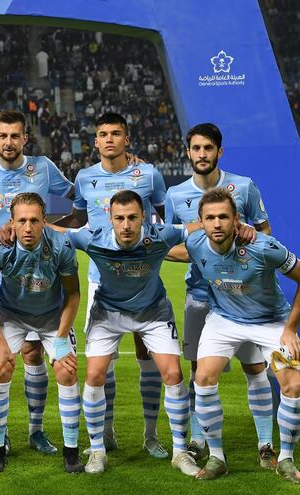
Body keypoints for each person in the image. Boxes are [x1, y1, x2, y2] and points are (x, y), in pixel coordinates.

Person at [53, 190, 209, 476]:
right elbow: (58, 232)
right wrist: (20, 224)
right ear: (110, 219)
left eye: (133, 218)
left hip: (153, 312)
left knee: (173, 373)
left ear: (143, 218)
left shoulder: (160, 235)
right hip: (108, 313)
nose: (126, 225)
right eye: (120, 218)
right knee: (94, 374)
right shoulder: (93, 238)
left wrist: (239, 226)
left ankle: (179, 451)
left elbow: (198, 226)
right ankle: (98, 450)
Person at [54, 112, 169, 459]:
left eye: (115, 133)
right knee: (104, 362)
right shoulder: (85, 177)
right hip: (100, 280)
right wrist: (46, 226)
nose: (109, 139)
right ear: (96, 140)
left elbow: (166, 218)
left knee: (146, 354)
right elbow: (79, 220)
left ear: (126, 138)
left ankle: (150, 435)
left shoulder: (148, 174)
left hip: (143, 277)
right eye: (103, 134)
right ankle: (105, 432)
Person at [164, 122, 277, 468]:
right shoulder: (174, 195)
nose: (202, 155)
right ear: (188, 153)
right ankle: (200, 438)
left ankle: (265, 444)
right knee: (200, 369)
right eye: (195, 149)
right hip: (199, 293)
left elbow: (265, 233)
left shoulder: (243, 187)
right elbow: (170, 244)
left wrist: (248, 239)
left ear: (219, 152)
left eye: (208, 148)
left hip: (242, 295)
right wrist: (200, 244)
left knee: (254, 366)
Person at [186, 188, 300, 484]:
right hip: (223, 321)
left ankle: (286, 459)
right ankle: (217, 457)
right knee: (203, 378)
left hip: (271, 322)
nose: (216, 223)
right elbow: (161, 243)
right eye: (210, 218)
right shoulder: (195, 244)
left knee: (293, 385)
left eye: (223, 217)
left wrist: (290, 329)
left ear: (236, 220)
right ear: (201, 221)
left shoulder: (264, 247)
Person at [0, 109, 74, 455]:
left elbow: (77, 199)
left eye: (15, 136)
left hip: (38, 267)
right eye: (3, 136)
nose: (9, 142)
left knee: (33, 351)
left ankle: (35, 430)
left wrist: (49, 228)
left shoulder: (43, 166)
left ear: (25, 138)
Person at [0, 193, 83, 474]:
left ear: (44, 222)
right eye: (21, 220)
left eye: (34, 221)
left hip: (51, 317)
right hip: (11, 314)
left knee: (67, 370)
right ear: (11, 222)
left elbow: (73, 294)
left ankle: (71, 452)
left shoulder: (60, 246)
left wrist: (61, 338)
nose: (27, 227)